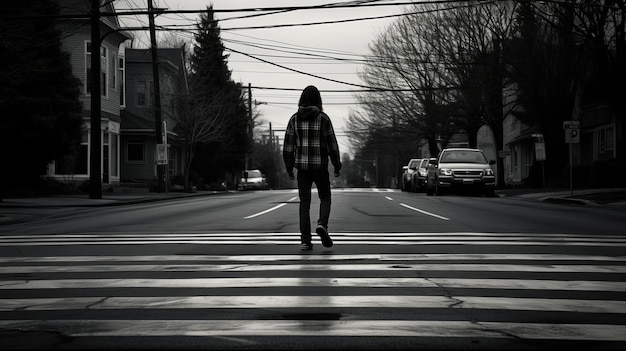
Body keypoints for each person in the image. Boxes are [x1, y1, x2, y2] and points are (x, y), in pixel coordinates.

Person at [283, 85, 342, 251]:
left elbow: (288, 146)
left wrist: (289, 167)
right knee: (325, 197)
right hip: (320, 167)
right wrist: (336, 164)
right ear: (318, 100)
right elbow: (332, 145)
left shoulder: (294, 119)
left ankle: (305, 240)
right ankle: (322, 224)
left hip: (302, 168)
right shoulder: (323, 119)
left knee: (305, 203)